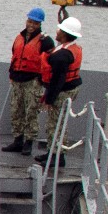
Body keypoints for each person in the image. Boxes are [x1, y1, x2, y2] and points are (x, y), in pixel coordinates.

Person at [37, 17, 84, 163]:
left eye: (59, 30)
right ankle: (53, 152)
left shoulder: (62, 56)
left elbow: (58, 79)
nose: (57, 31)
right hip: (68, 89)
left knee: (56, 124)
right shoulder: (70, 48)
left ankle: (57, 156)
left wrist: (49, 99)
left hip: (62, 92)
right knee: (57, 122)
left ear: (64, 33)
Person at [5, 8, 52, 154]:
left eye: (35, 23)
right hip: (17, 79)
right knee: (16, 110)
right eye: (30, 21)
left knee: (31, 111)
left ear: (40, 24)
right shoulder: (19, 37)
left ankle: (29, 142)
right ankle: (17, 140)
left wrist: (42, 80)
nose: (31, 25)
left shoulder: (46, 41)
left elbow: (49, 62)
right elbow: (14, 55)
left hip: (33, 81)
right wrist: (12, 75)